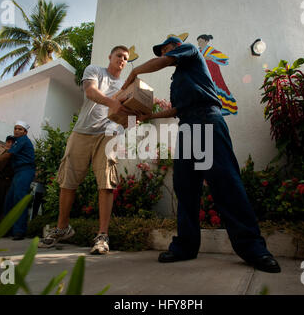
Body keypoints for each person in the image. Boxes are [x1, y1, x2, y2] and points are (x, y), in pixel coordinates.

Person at [121, 37, 281, 273]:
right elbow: (177, 109)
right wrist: (148, 117)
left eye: (166, 49)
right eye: (162, 50)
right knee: (185, 187)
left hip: (207, 120)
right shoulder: (179, 79)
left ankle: (254, 249)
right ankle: (186, 246)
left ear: (176, 47)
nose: (164, 53)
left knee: (225, 183)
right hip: (187, 125)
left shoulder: (190, 51)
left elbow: (163, 62)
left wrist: (134, 72)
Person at [38, 45, 137, 253]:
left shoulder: (126, 86)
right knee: (68, 180)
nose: (122, 59)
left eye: (126, 58)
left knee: (107, 183)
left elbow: (131, 116)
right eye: (119, 55)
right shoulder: (94, 70)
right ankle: (62, 228)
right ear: (110, 56)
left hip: (107, 136)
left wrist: (127, 122)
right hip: (82, 132)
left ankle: (102, 236)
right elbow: (90, 91)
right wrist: (113, 103)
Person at [0, 121, 35, 240]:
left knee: (19, 200)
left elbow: (8, 155)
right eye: (15, 128)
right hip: (18, 172)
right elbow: (9, 151)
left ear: (25, 132)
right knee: (9, 201)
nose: (17, 131)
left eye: (20, 129)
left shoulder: (23, 140)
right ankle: (8, 229)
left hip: (25, 171)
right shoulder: (16, 142)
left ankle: (19, 231)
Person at [197, 34, 238, 115]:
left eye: (201, 41)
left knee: (217, 89)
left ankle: (223, 108)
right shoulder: (198, 51)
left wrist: (211, 57)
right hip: (203, 74)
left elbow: (225, 60)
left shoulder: (211, 51)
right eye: (198, 42)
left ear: (206, 41)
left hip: (213, 73)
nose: (199, 44)